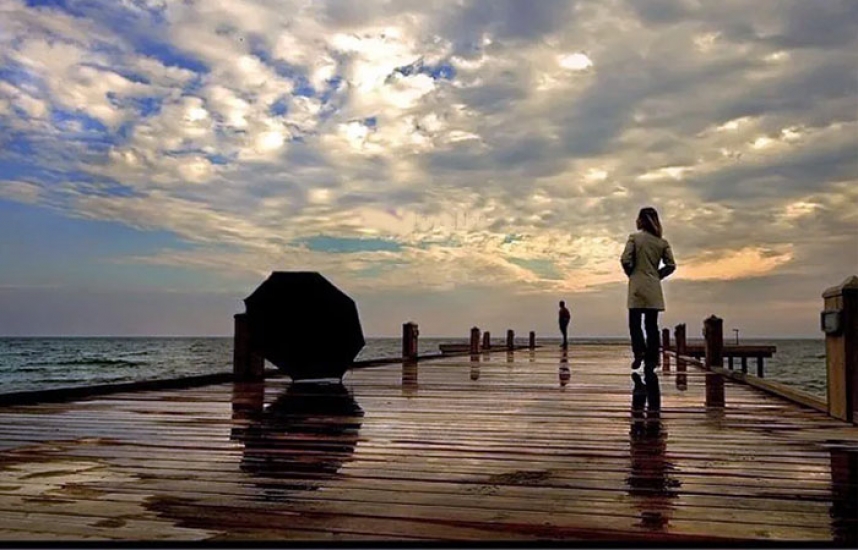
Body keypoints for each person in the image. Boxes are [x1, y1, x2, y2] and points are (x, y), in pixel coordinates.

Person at [620, 207, 676, 394]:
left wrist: (631, 274)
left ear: (640, 221)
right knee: (651, 325)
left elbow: (625, 259)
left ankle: (639, 352)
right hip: (653, 285)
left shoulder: (634, 238)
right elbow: (671, 265)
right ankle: (652, 359)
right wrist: (657, 275)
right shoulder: (662, 242)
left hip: (637, 284)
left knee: (634, 324)